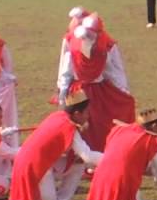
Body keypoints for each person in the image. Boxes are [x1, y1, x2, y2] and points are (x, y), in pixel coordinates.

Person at [0, 90, 102, 200]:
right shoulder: (68, 126)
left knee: (77, 164)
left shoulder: (58, 116)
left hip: (31, 163)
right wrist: (113, 158)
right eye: (86, 112)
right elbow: (88, 156)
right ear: (77, 113)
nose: (88, 116)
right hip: (36, 167)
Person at [58, 14, 136, 152]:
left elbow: (114, 71)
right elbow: (66, 71)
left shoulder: (107, 46)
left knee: (100, 124)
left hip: (97, 90)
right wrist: (63, 92)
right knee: (80, 125)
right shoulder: (73, 44)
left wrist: (123, 90)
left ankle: (100, 154)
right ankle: (79, 155)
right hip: (79, 91)